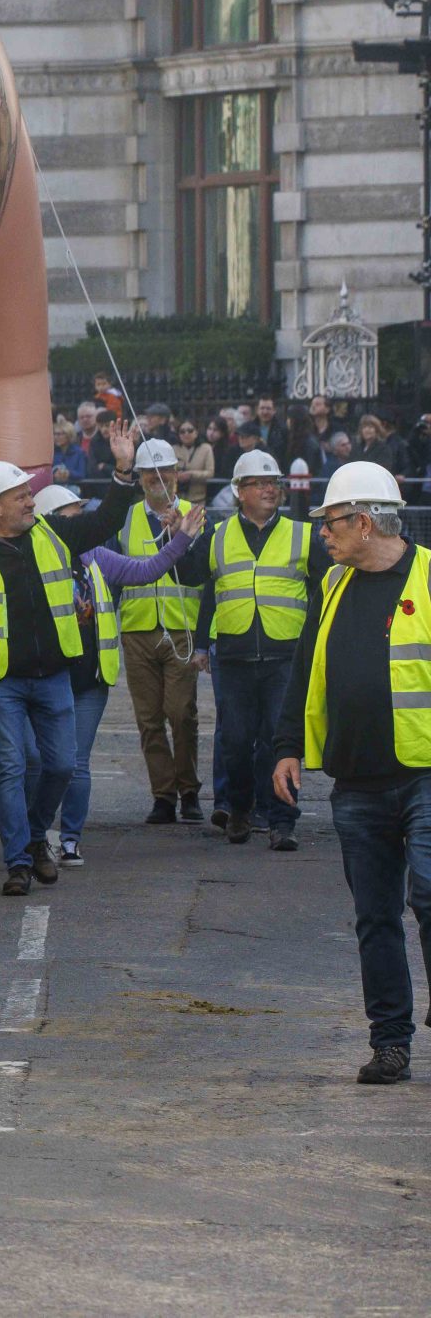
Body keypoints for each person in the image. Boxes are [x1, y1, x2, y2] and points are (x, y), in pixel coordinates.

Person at [0, 425, 139, 896]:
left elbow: (104, 522)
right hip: (1, 680)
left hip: (53, 677)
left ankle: (35, 834)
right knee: (11, 766)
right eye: (20, 495)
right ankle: (19, 861)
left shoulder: (54, 533)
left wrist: (124, 470)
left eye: (29, 492)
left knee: (61, 765)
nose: (30, 500)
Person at [276, 463, 429, 1081]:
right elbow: (305, 666)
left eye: (331, 522)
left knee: (430, 891)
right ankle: (390, 1042)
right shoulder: (334, 585)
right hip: (357, 783)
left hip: (425, 773)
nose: (323, 534)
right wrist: (289, 744)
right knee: (375, 916)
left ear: (365, 521)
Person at [33, 484, 200, 866]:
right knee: (41, 761)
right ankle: (37, 833)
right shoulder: (33, 559)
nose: (86, 521)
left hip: (90, 679)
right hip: (48, 677)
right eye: (75, 514)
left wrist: (182, 540)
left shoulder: (95, 556)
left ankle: (70, 838)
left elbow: (147, 570)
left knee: (76, 761)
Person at [178, 449, 324, 851]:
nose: (269, 490)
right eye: (259, 483)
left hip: (285, 658)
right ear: (239, 491)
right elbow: (192, 578)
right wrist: (179, 538)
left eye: (273, 483)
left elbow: (327, 585)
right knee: (237, 743)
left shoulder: (301, 534)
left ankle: (282, 821)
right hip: (236, 658)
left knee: (281, 742)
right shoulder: (217, 536)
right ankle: (240, 808)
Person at [118, 438, 205, 824]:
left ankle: (189, 789)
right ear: (139, 478)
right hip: (138, 629)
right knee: (149, 719)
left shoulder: (195, 516)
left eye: (165, 471)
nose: (159, 478)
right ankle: (164, 795)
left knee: (181, 712)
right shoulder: (126, 517)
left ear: (177, 474)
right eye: (151, 473)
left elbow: (205, 571)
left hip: (181, 626)